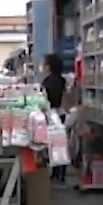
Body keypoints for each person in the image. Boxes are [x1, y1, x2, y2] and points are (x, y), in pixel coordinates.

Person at [41, 53, 68, 185]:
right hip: (61, 113)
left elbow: (47, 99)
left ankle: (56, 174)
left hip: (52, 114)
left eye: (44, 64)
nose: (42, 66)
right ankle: (61, 173)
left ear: (48, 66)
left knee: (53, 145)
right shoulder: (61, 79)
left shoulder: (48, 81)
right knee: (60, 144)